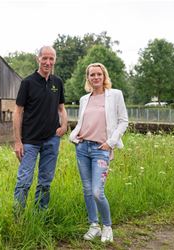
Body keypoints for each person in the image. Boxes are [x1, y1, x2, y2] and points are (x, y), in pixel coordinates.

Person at [69, 63, 128, 242]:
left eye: (98, 74)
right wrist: (73, 136)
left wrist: (111, 143)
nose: (95, 77)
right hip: (82, 148)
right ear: (88, 78)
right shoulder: (83, 99)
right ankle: (93, 225)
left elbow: (123, 121)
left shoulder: (115, 95)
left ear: (104, 76)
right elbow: (81, 123)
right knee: (87, 190)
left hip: (101, 150)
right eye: (92, 75)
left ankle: (107, 227)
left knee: (97, 192)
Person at [13, 46, 67, 211]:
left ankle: (40, 215)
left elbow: (61, 108)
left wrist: (64, 125)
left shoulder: (57, 83)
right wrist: (17, 141)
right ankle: (18, 217)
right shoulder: (27, 82)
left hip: (51, 140)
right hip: (30, 141)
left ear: (54, 61)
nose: (48, 62)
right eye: (45, 58)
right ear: (38, 59)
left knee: (45, 181)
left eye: (51, 59)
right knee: (24, 181)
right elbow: (17, 112)